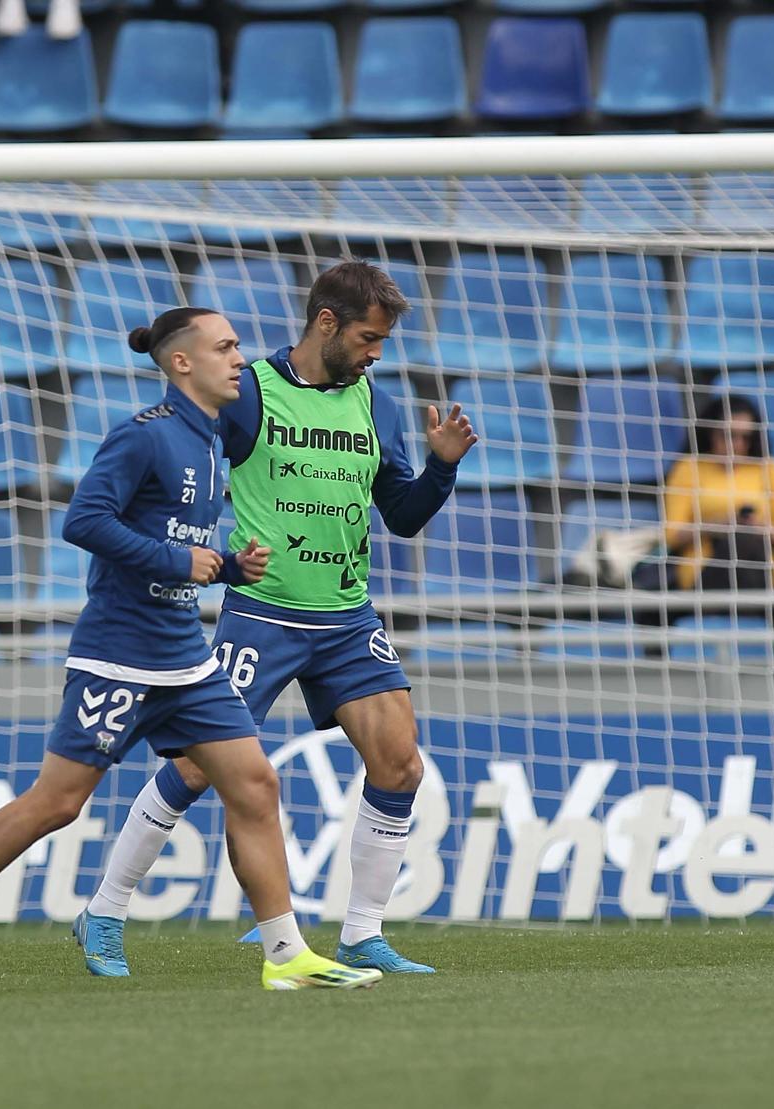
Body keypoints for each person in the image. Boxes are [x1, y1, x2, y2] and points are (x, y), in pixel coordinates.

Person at [0, 307, 381, 993]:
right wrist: (181, 560)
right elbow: (84, 521)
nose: (240, 358)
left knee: (255, 782)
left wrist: (230, 567)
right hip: (119, 650)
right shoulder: (144, 437)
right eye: (224, 347)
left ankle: (286, 953)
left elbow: (184, 548)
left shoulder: (211, 442)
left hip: (184, 653)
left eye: (239, 346)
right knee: (58, 802)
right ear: (182, 362)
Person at [75, 260, 477, 978]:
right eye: (366, 337)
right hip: (263, 614)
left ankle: (362, 932)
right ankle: (104, 910)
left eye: (381, 340)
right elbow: (176, 461)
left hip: (348, 617)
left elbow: (403, 519)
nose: (375, 352)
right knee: (198, 766)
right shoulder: (249, 394)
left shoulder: (376, 406)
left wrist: (440, 469)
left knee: (400, 762)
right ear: (326, 323)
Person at [660, 395, 774, 592]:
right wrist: (718, 525)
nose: (737, 444)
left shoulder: (769, 470)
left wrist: (753, 526)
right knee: (737, 544)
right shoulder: (688, 468)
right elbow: (672, 534)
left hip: (762, 567)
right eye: (729, 435)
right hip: (704, 567)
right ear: (711, 433)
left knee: (744, 541)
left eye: (746, 437)